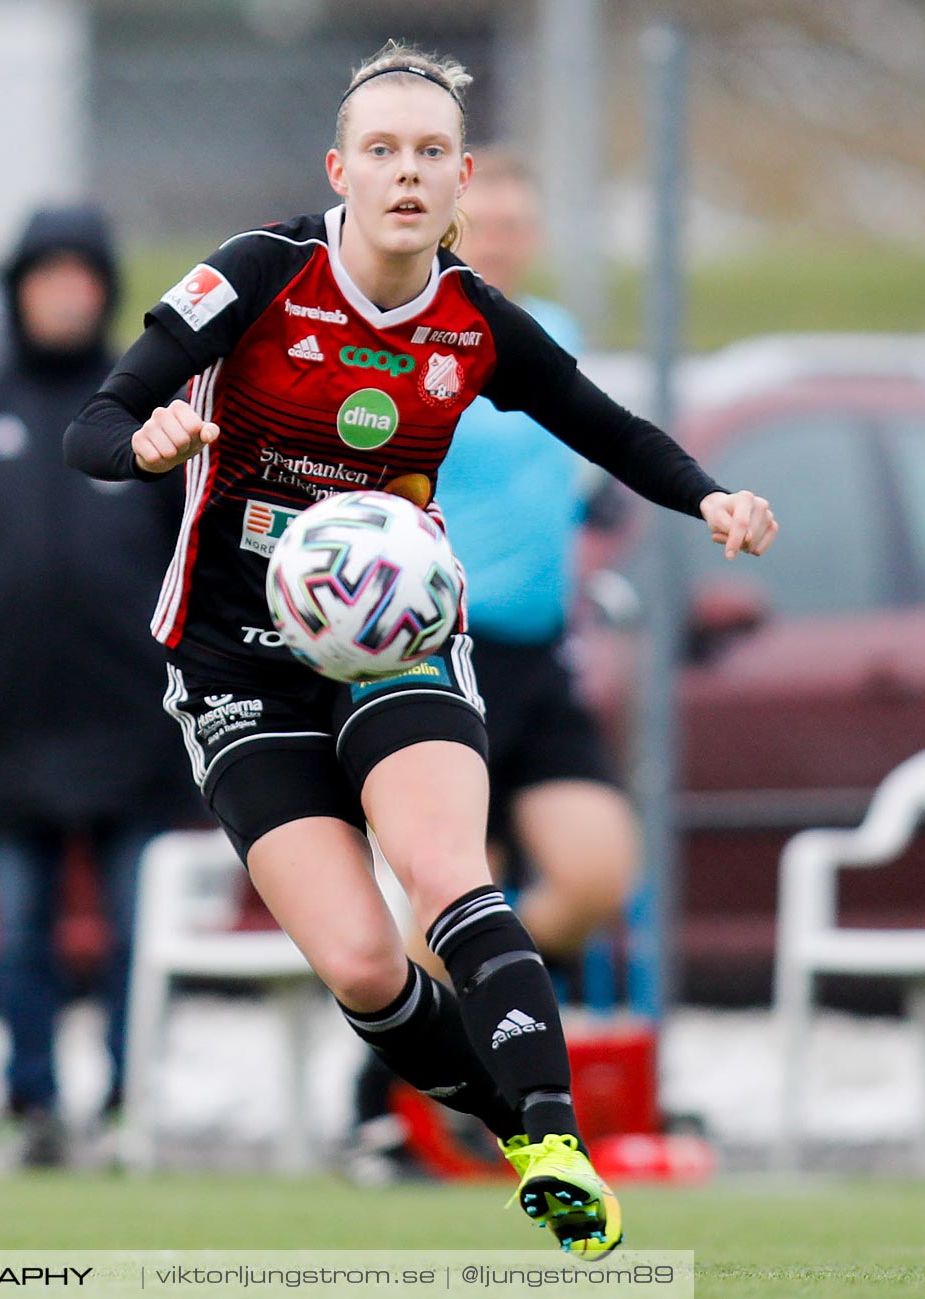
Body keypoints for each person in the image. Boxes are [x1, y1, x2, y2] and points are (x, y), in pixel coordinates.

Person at [65, 39, 776, 1254]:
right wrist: (141, 449)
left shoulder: (475, 324)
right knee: (358, 963)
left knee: (450, 876)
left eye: (431, 153)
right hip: (236, 661)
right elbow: (97, 419)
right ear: (341, 171)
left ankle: (556, 1139)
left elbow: (606, 426)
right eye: (383, 151)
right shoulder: (254, 274)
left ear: (460, 190)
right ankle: (509, 1128)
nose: (407, 174)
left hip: (400, 641)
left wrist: (707, 495)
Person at [346, 149, 641, 1182]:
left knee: (597, 868)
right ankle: (390, 1112)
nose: (506, 241)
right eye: (491, 225)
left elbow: (565, 462)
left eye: (523, 225)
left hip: (538, 662)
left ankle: (481, 1045)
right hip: (434, 655)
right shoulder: (409, 332)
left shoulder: (552, 336)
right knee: (449, 890)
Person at [0, 205, 196, 1171]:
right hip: (8, 727)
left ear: (106, 292)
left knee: (134, 931)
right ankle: (28, 1106)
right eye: (45, 275)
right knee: (19, 929)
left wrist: (182, 690)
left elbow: (202, 553)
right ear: (17, 287)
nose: (64, 293)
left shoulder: (151, 417)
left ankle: (126, 1107)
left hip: (136, 728)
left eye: (83, 275)